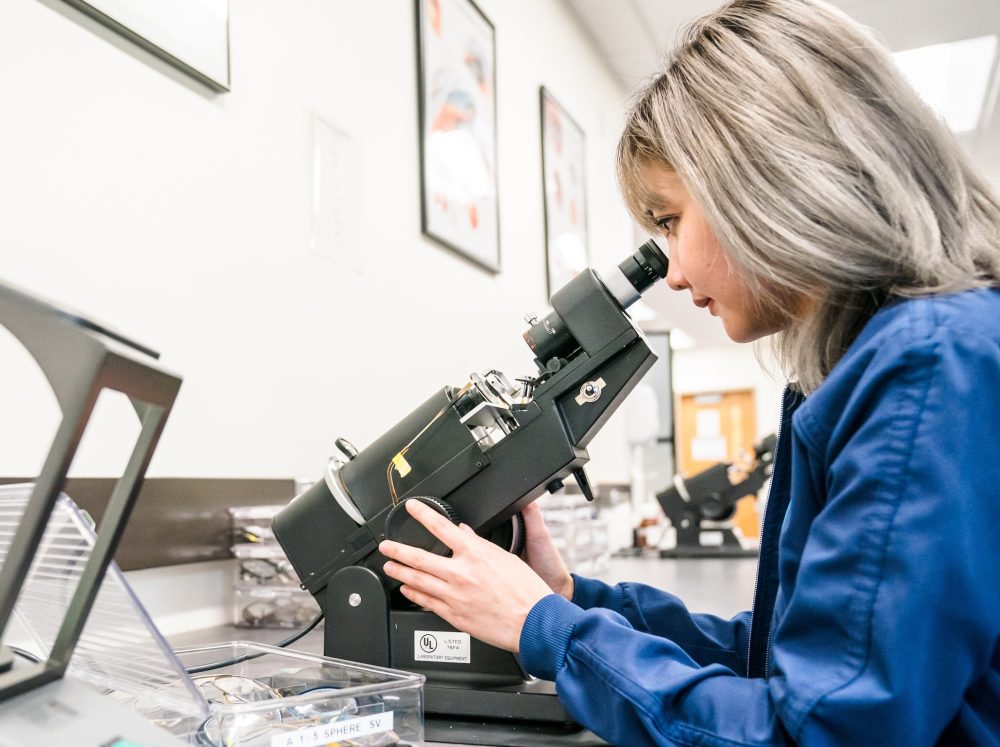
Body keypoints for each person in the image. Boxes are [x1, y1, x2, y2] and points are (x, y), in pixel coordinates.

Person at [379, 0, 1000, 743]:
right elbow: (786, 658)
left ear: (766, 177)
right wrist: (570, 598)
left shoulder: (926, 368)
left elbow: (819, 731)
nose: (670, 273)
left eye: (670, 220)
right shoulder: (880, 362)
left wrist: (547, 630)